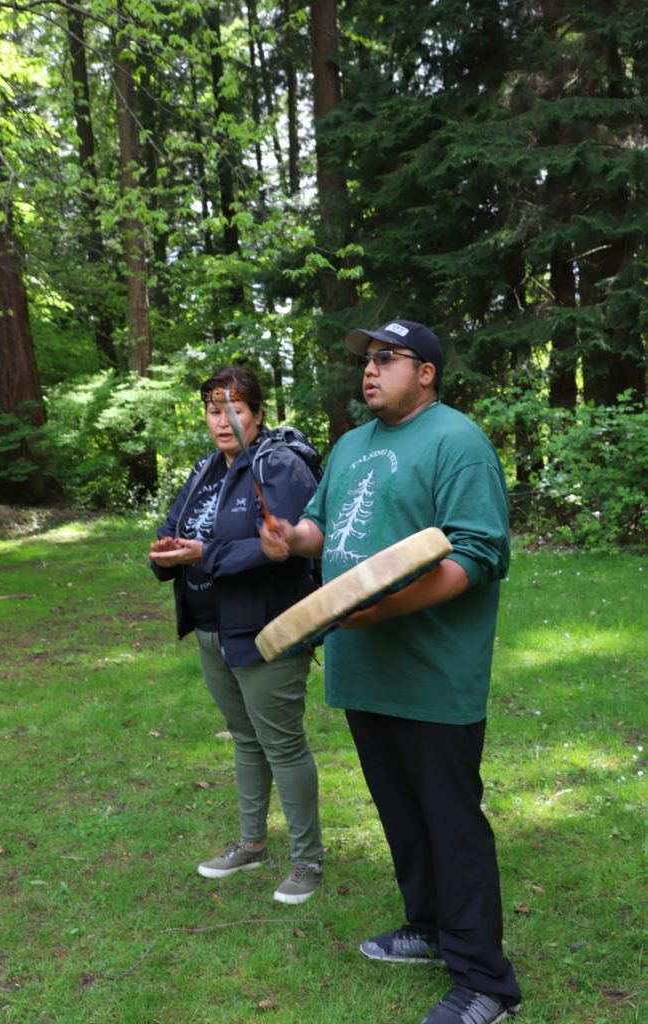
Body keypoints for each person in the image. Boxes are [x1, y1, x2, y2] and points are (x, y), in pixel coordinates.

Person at [260, 321, 522, 1021]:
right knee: (403, 815)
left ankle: (486, 982)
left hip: (432, 674)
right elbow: (321, 526)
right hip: (362, 669)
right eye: (366, 361)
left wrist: (388, 609)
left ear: (426, 372)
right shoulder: (350, 444)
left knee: (451, 823)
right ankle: (429, 927)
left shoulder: (457, 441)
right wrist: (291, 539)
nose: (369, 371)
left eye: (386, 359)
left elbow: (479, 554)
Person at [150, 365, 324, 905]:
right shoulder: (206, 468)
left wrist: (206, 553)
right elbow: (174, 524)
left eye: (234, 410)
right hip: (212, 628)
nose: (222, 421)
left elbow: (283, 545)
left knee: (282, 742)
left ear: (256, 413)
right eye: (212, 410)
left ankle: (307, 860)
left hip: (266, 627)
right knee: (245, 737)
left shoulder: (281, 466)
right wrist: (164, 553)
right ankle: (251, 843)